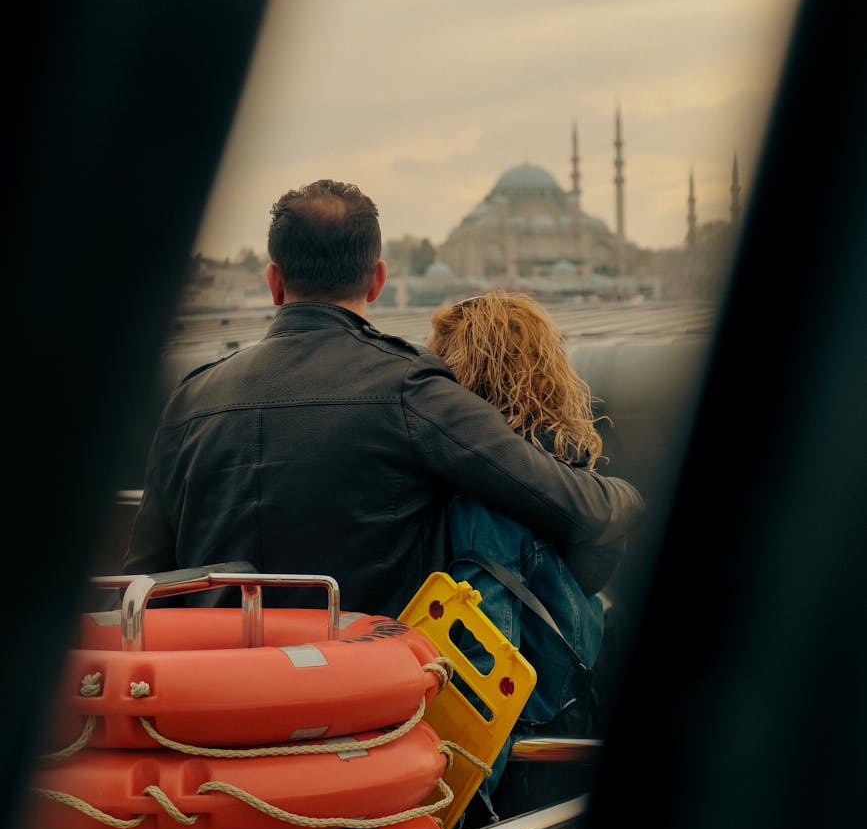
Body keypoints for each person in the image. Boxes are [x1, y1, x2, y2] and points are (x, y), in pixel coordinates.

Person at [123, 180, 644, 618]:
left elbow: (143, 579)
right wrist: (632, 497)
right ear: (377, 280)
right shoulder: (410, 388)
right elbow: (575, 508)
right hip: (366, 709)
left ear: (275, 282)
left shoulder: (190, 399)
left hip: (207, 709)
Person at [426, 290, 630, 829]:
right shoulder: (572, 467)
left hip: (514, 749)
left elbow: (486, 645)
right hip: (566, 724)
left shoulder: (488, 486)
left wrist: (453, 804)